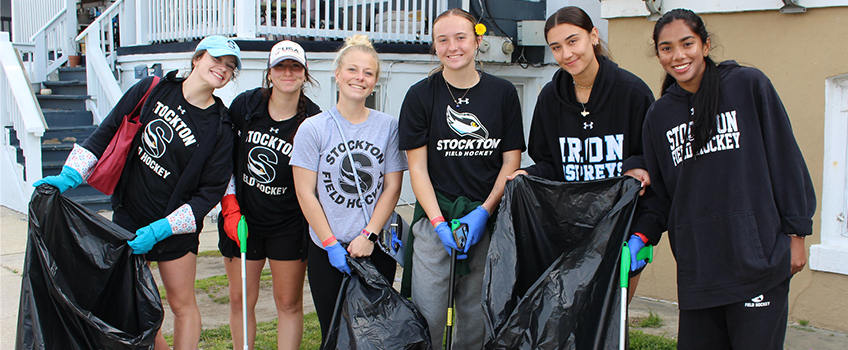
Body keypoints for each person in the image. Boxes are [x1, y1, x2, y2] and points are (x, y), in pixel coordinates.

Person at [34, 35, 241, 349]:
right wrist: (69, 176)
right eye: (217, 60)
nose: (222, 69)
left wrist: (162, 229)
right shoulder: (152, 89)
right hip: (129, 217)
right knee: (136, 302)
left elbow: (208, 193)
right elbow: (106, 131)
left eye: (230, 67)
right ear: (197, 59)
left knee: (182, 304)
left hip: (173, 229)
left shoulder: (221, 126)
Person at [639, 8, 815, 349]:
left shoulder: (748, 85)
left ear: (705, 45)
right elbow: (661, 196)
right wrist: (639, 235)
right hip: (699, 271)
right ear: (659, 55)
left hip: (757, 263)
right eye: (666, 48)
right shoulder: (659, 116)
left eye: (686, 43)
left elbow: (785, 158)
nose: (678, 55)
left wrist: (797, 233)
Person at [506, 6, 663, 302]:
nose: (566, 53)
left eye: (572, 40)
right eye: (556, 46)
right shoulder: (550, 99)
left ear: (593, 36)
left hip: (620, 233)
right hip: (567, 235)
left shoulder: (632, 93)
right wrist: (527, 175)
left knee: (606, 322)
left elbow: (652, 163)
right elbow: (549, 164)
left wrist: (642, 234)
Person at [398, 8, 525, 349]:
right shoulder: (420, 96)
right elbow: (418, 169)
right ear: (435, 46)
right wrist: (439, 223)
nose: (452, 47)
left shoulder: (503, 93)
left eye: (460, 37)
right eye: (443, 40)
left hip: (488, 221)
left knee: (475, 318)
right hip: (434, 221)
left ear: (477, 41)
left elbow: (511, 161)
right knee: (429, 315)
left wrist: (484, 212)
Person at [290, 34, 407, 346]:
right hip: (328, 252)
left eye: (368, 73)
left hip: (374, 248)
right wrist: (330, 244)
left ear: (376, 81)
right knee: (334, 332)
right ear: (338, 74)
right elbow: (305, 192)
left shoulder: (389, 127)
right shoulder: (313, 128)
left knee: (376, 334)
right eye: (353, 70)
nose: (360, 78)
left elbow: (392, 186)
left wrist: (368, 235)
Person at [218, 40, 320, 350]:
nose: (287, 72)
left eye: (295, 67)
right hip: (243, 219)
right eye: (280, 66)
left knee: (288, 302)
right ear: (270, 73)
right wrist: (229, 206)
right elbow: (222, 159)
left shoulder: (313, 120)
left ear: (304, 74)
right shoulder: (245, 106)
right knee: (240, 299)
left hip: (288, 224)